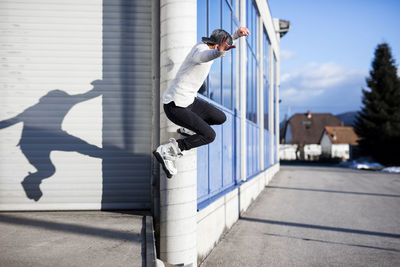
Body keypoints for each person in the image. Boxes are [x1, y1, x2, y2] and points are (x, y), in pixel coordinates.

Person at [154, 27, 250, 178]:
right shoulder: (200, 50)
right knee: (209, 135)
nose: (223, 54)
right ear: (216, 45)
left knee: (220, 117)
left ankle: (188, 129)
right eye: (222, 49)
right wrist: (218, 52)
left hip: (189, 102)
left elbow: (221, 45)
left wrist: (236, 35)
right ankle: (168, 150)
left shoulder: (211, 45)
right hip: (175, 106)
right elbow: (204, 56)